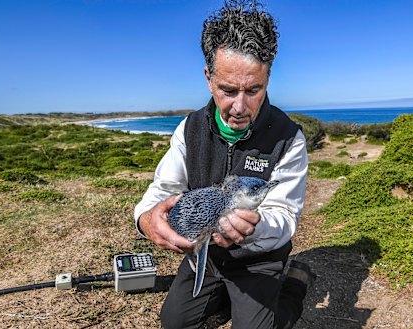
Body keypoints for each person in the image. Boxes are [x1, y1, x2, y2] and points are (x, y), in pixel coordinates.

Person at [134, 1, 313, 328]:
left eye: (254, 89)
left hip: (258, 261)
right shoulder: (189, 129)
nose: (240, 107)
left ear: (268, 78)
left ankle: (295, 284)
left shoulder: (290, 138)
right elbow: (163, 190)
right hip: (205, 255)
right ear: (208, 77)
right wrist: (146, 219)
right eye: (228, 90)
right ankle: (225, 297)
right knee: (174, 322)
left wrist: (256, 227)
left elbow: (285, 216)